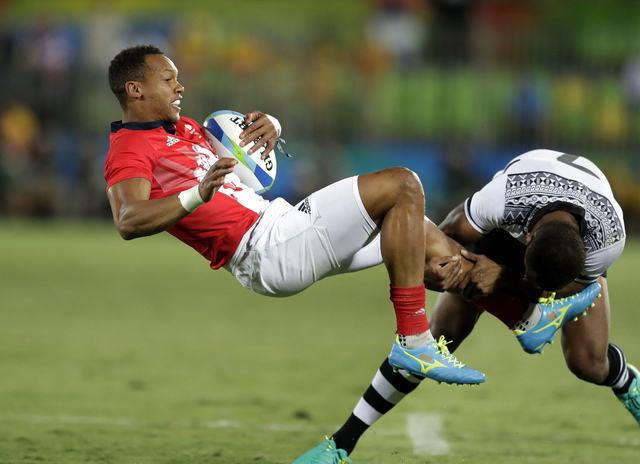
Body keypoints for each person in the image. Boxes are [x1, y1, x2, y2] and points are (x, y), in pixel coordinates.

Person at [294, 149, 637, 464]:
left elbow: (577, 286)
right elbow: (443, 238)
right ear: (529, 238)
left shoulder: (607, 238)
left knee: (588, 363)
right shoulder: (504, 199)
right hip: (507, 228)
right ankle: (341, 445)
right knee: (434, 341)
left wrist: (502, 279)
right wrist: (441, 270)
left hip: (564, 241)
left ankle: (625, 381)